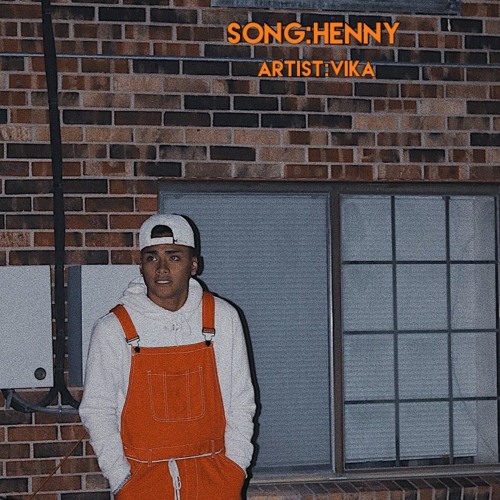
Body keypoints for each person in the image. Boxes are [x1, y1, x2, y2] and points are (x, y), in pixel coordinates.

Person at [79, 214, 256, 499]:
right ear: (141, 265)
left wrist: (235, 468)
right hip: (142, 483)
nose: (161, 268)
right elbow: (97, 410)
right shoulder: (114, 329)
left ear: (194, 264)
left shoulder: (222, 319)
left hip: (216, 479)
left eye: (174, 257)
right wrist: (121, 479)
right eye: (152, 258)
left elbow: (241, 401)